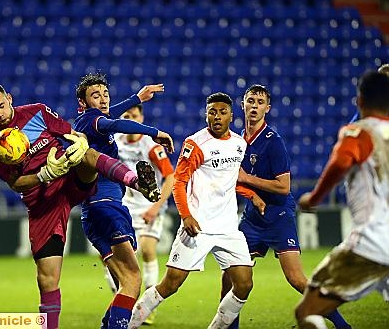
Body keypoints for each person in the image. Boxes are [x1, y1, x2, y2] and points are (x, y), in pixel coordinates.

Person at [0, 82, 163, 329]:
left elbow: (74, 134)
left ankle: (138, 183)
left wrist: (77, 144)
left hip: (69, 179)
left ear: (9, 98)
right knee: (48, 280)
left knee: (87, 153)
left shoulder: (38, 112)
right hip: (44, 202)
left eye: (1, 105)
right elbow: (16, 183)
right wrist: (44, 175)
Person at [129, 92, 266, 329]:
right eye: (212, 112)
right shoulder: (195, 144)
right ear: (206, 114)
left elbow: (230, 179)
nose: (217, 116)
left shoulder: (238, 144)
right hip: (197, 225)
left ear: (231, 116)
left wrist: (251, 195)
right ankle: (126, 324)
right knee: (170, 284)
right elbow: (179, 183)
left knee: (244, 285)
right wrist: (186, 216)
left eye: (222, 112)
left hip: (227, 228)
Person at [219, 85, 351, 329]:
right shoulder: (237, 139)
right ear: (243, 105)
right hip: (252, 217)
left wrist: (247, 179)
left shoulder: (273, 141)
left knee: (296, 279)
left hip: (278, 215)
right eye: (251, 101)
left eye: (260, 102)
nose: (255, 106)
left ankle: (343, 326)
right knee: (230, 274)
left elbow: (284, 187)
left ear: (267, 108)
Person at [73, 73, 174, 329]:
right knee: (132, 280)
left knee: (123, 283)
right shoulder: (93, 120)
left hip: (93, 211)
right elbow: (118, 124)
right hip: (107, 204)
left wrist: (137, 98)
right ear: (83, 103)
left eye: (105, 94)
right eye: (96, 96)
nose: (104, 99)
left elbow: (112, 116)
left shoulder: (89, 120)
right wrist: (155, 131)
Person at [295, 71, 389, 329]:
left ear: (359, 101)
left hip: (373, 242)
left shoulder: (359, 133)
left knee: (308, 312)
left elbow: (341, 161)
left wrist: (314, 198)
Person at [106, 104, 175, 325]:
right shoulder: (115, 141)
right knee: (113, 257)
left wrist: (155, 208)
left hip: (149, 206)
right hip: (125, 206)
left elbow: (170, 177)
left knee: (147, 250)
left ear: (141, 118)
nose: (130, 119)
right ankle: (122, 299)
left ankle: (148, 306)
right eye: (126, 116)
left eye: (134, 116)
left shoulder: (152, 146)